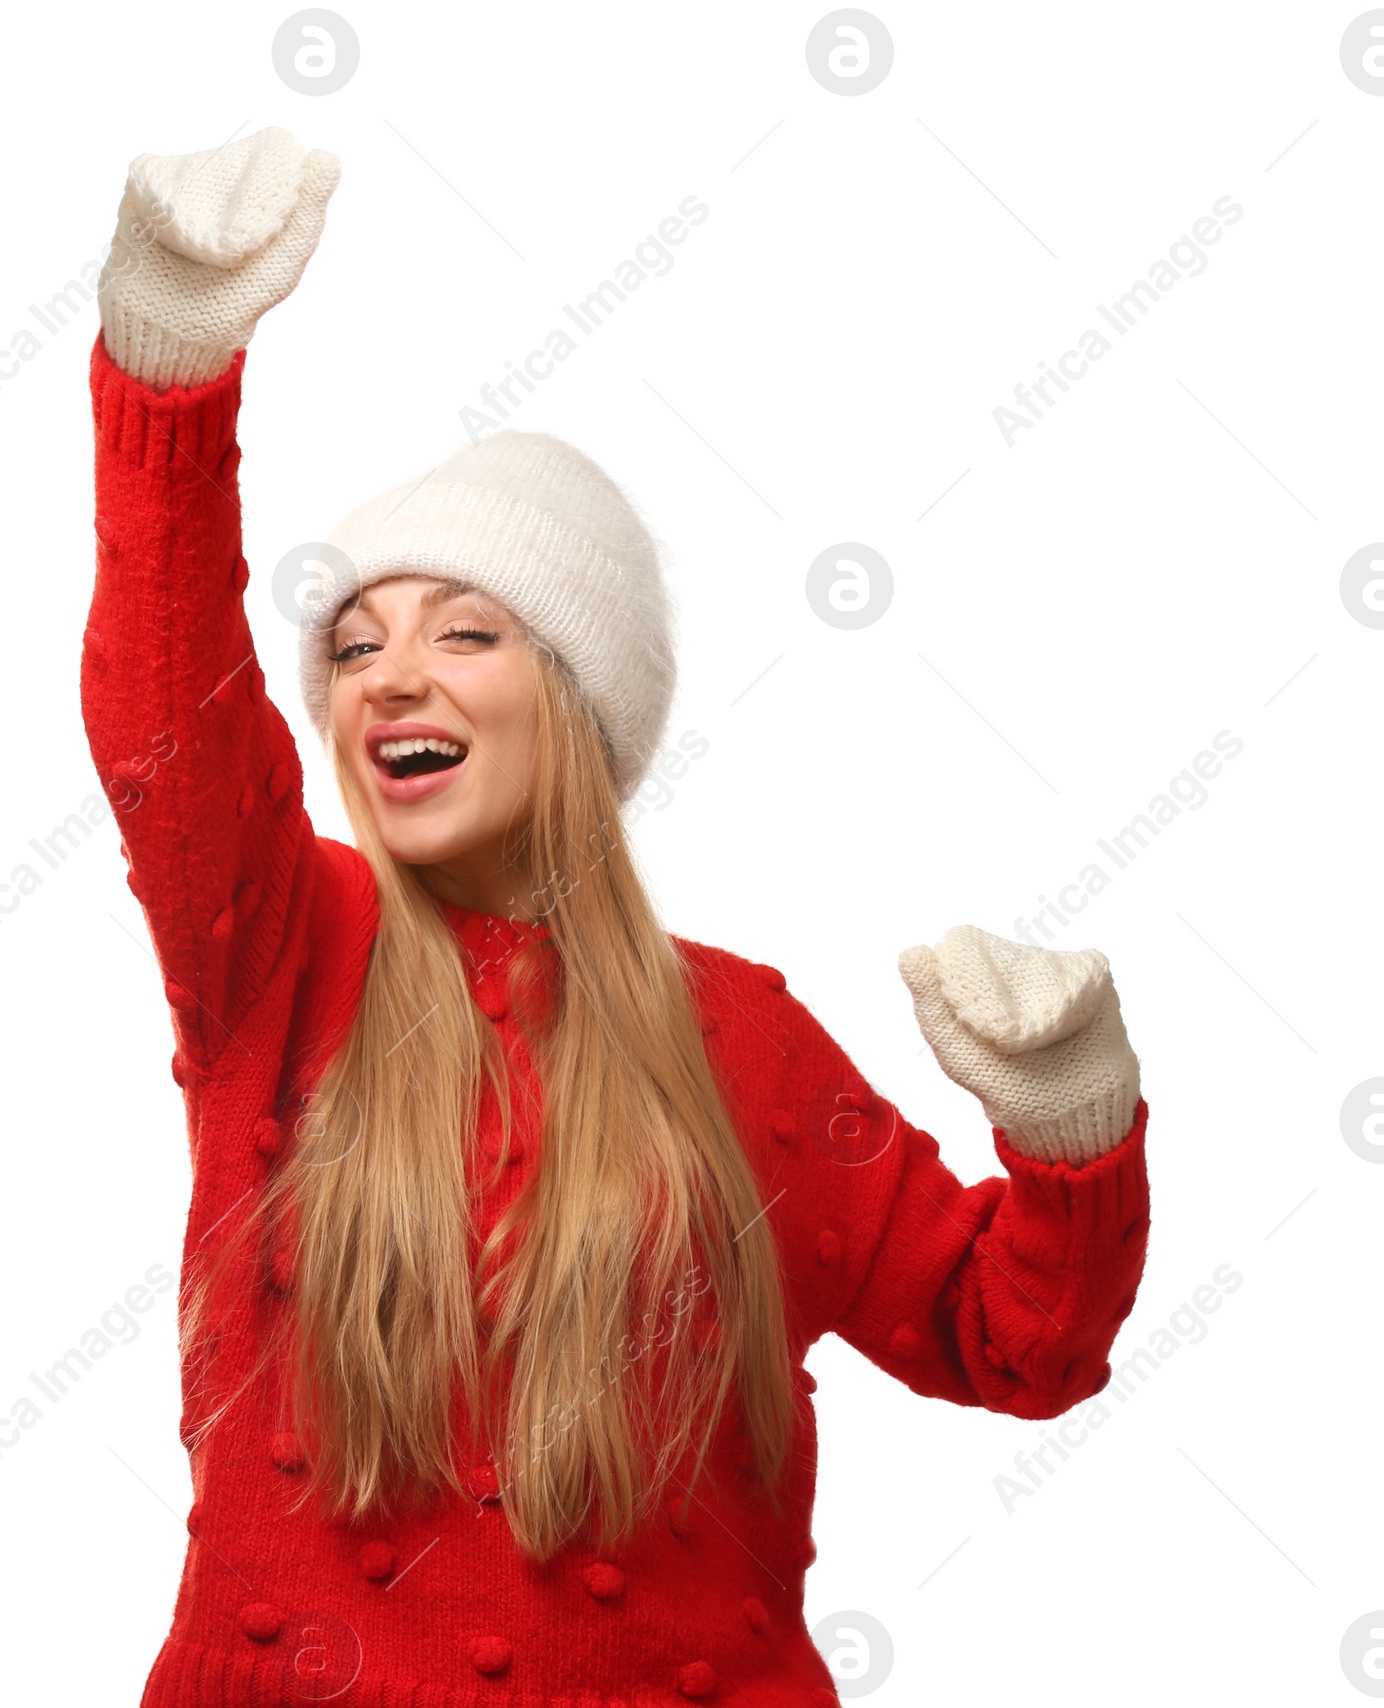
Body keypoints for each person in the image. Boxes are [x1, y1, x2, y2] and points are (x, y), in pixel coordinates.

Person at [83, 127, 1150, 1707]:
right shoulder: (281, 959)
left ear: (574, 703)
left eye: (464, 630)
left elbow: (1014, 1342)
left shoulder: (750, 1047)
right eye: (356, 645)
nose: (389, 674)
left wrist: (1072, 1123)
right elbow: (168, 727)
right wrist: (169, 373)